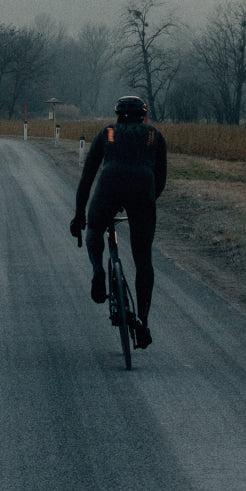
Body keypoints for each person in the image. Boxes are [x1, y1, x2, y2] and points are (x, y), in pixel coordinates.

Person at [70, 95, 167, 349]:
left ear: (117, 115)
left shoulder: (107, 133)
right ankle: (143, 322)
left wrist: (79, 215)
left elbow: (87, 176)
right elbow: (161, 179)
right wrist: (145, 203)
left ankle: (98, 269)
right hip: (143, 188)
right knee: (143, 258)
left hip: (109, 185)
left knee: (94, 228)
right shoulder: (154, 136)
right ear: (143, 115)